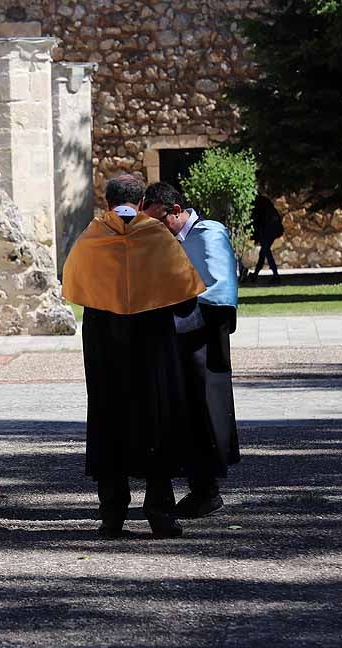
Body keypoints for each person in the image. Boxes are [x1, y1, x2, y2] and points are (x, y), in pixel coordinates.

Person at [63, 174, 206, 539]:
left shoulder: (91, 237)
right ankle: (160, 514)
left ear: (107, 201)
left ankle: (112, 514)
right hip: (151, 347)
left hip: (106, 348)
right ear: (142, 201)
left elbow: (75, 287)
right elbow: (187, 297)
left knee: (109, 420)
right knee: (157, 420)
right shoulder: (157, 236)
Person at [143, 182, 241, 519]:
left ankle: (207, 490)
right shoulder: (172, 241)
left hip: (203, 342)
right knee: (184, 415)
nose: (155, 229)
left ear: (174, 211)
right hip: (180, 339)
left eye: (158, 221)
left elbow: (218, 289)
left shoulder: (208, 233)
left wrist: (177, 317)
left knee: (204, 413)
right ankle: (199, 487)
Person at [250, 194, 284, 284]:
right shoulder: (263, 200)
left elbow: (256, 220)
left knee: (266, 251)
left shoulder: (256, 203)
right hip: (273, 228)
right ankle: (255, 275)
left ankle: (276, 276)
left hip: (268, 229)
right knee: (263, 252)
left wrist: (256, 234)